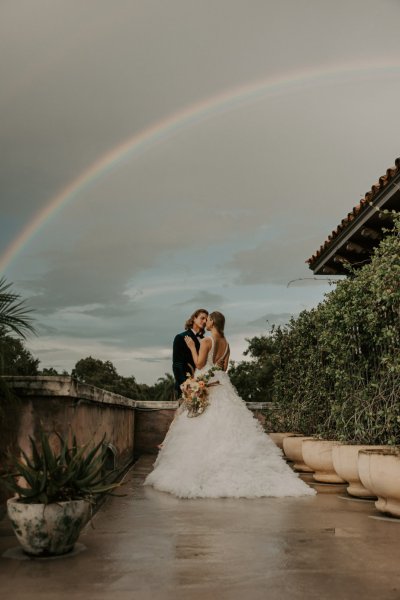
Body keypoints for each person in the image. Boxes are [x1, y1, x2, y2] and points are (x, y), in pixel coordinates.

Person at [144, 311, 315, 498]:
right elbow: (224, 368)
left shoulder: (206, 342)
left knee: (202, 421)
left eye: (208, 319)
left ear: (213, 322)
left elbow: (200, 365)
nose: (206, 322)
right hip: (221, 384)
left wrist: (193, 348)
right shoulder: (226, 344)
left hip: (207, 384)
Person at [172, 308, 208, 398]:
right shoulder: (181, 337)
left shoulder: (205, 341)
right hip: (186, 386)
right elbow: (177, 364)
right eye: (202, 318)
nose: (204, 321)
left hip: (202, 385)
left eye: (206, 320)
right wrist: (185, 384)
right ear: (194, 318)